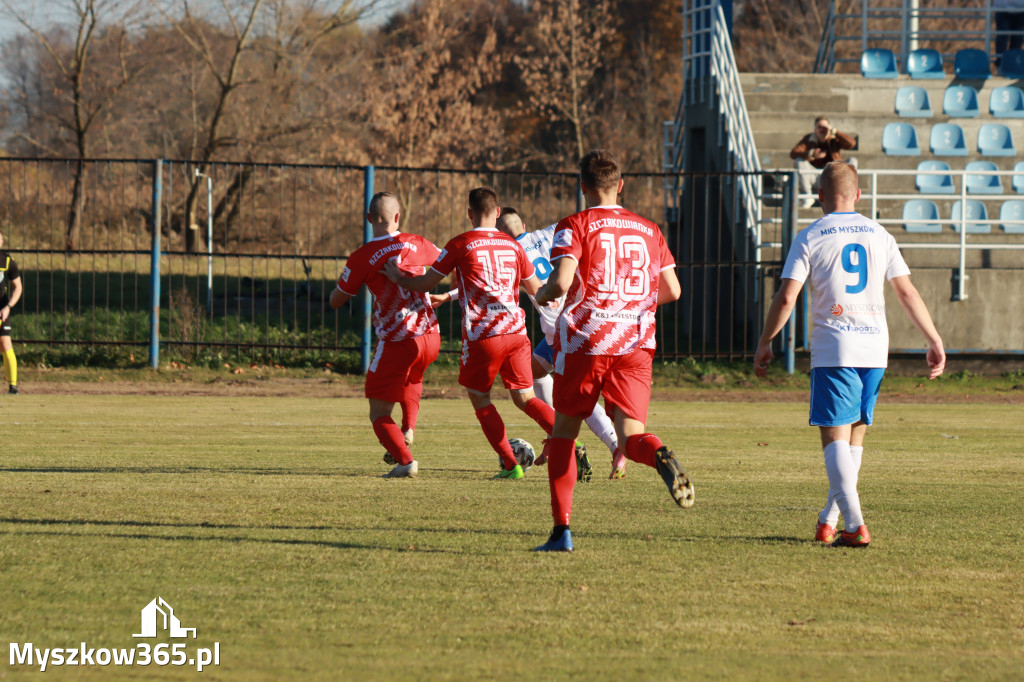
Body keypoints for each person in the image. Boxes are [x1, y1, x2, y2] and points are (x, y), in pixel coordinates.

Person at [754, 162, 945, 548]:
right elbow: (906, 292)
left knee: (835, 442)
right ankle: (829, 519)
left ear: (819, 196)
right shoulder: (880, 234)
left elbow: (788, 295)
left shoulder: (811, 235)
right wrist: (934, 338)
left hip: (836, 348)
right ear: (858, 195)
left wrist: (766, 341)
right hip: (875, 348)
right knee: (854, 441)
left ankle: (855, 525)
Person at [532, 149, 695, 553]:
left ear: (583, 186)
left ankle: (561, 532)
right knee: (632, 435)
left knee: (565, 434)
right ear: (621, 185)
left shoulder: (576, 224)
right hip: (636, 344)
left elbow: (563, 280)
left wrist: (543, 293)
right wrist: (631, 305)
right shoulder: (649, 229)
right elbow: (672, 290)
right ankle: (657, 454)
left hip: (587, 342)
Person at [385, 187, 555, 480]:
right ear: (498, 212)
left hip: (484, 335)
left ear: (469, 213)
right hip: (516, 332)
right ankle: (567, 440)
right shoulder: (513, 246)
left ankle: (510, 464)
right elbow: (539, 291)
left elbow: (426, 282)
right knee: (526, 397)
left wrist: (398, 276)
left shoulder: (461, 243)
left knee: (481, 399)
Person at [493, 207, 622, 480]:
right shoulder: (551, 231)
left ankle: (605, 444)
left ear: (500, 235)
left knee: (574, 397)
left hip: (564, 331)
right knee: (532, 373)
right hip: (578, 321)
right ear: (524, 223)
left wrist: (447, 297)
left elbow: (483, 283)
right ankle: (556, 434)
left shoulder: (509, 252)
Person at [329, 192, 442, 478]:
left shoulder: (362, 256)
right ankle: (408, 428)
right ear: (398, 217)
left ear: (369, 219)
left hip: (398, 340)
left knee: (378, 412)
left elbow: (337, 300)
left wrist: (340, 286)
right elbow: (450, 263)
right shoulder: (418, 242)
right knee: (413, 377)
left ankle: (405, 461)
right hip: (431, 335)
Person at [790, 116, 858, 208]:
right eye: (819, 127)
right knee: (799, 161)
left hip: (833, 176)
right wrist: (811, 153)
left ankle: (848, 196)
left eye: (825, 127)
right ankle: (807, 196)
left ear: (829, 128)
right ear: (815, 130)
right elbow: (794, 153)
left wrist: (836, 132)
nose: (822, 130)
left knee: (853, 161)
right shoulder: (809, 139)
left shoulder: (834, 138)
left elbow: (852, 144)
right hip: (814, 176)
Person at [0, 232, 22, 395]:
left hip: (2, 310)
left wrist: (8, 306)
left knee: (5, 344)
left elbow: (18, 287)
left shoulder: (7, 261)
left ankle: (13, 387)